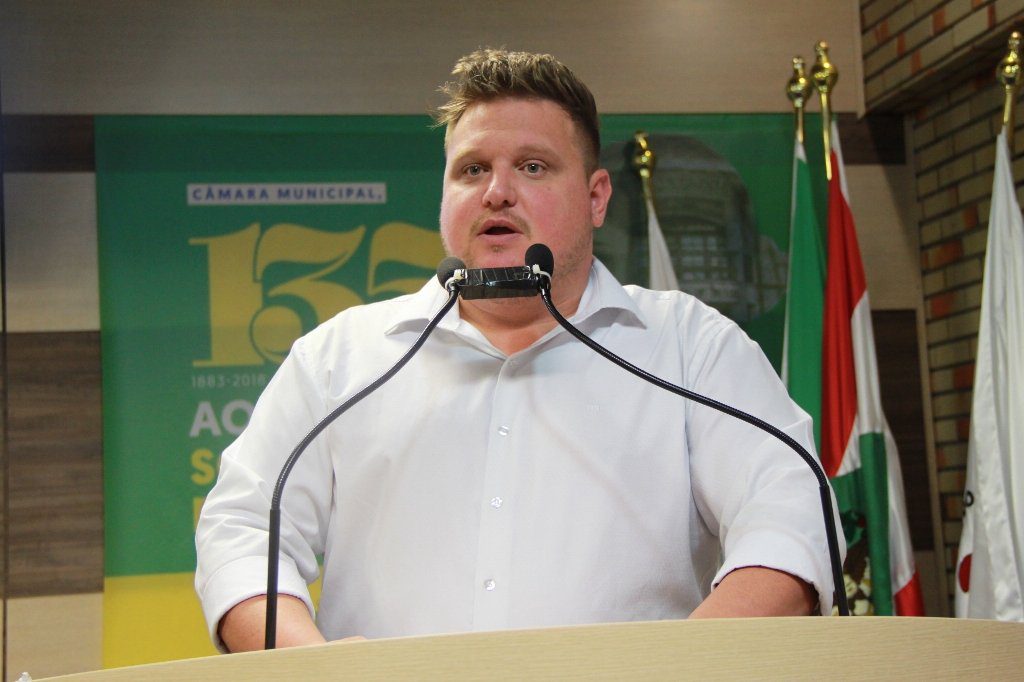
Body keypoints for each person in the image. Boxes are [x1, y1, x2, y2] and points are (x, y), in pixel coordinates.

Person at [195, 49, 842, 653]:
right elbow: (245, 532)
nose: (496, 191)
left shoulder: (691, 349)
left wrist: (673, 669)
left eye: (532, 167)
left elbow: (789, 519)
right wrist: (314, 667)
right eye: (472, 170)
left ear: (596, 197)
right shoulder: (341, 358)